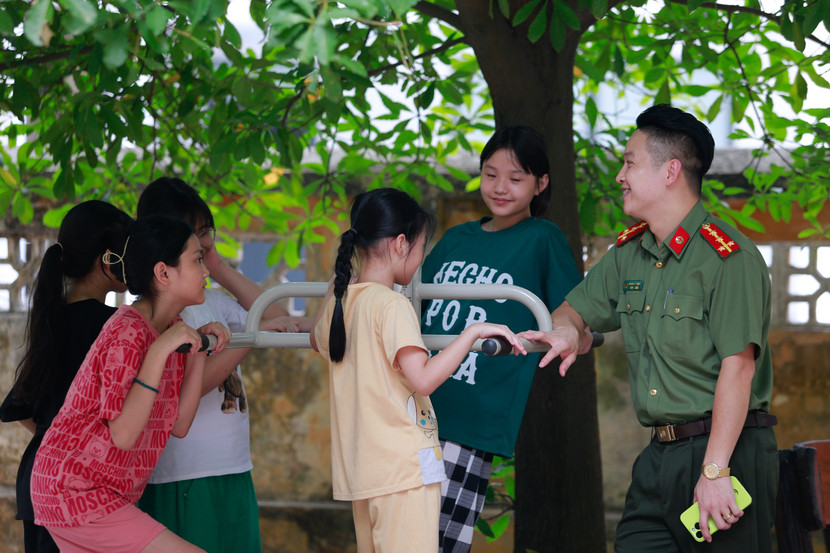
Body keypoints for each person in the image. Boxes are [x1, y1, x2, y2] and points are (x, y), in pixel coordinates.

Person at [521, 104, 778, 553]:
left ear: (670, 171)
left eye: (630, 162)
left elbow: (738, 369)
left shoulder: (728, 257)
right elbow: (573, 310)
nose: (620, 175)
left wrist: (715, 472)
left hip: (724, 451)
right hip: (659, 456)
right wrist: (564, 330)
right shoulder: (630, 253)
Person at [310, 187, 526, 553]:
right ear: (399, 244)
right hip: (404, 471)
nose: (421, 258)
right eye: (421, 247)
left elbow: (318, 340)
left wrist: (339, 285)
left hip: (365, 471)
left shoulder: (344, 302)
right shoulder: (391, 305)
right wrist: (471, 333)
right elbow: (423, 377)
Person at [418, 126, 582, 553]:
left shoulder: (542, 239)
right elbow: (408, 304)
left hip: (474, 415)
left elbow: (574, 310)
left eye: (516, 178)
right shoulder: (456, 238)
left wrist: (569, 331)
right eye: (490, 174)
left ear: (540, 183)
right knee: (400, 535)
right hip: (418, 405)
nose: (500, 187)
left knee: (439, 543)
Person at [29, 215, 232, 553]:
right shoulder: (126, 331)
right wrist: (161, 349)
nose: (206, 271)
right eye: (197, 260)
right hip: (74, 488)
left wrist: (197, 351)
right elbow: (122, 435)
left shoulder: (174, 327)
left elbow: (179, 424)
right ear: (163, 273)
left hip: (102, 490)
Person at [135, 176, 308, 553]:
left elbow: (276, 317)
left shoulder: (207, 298)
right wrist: (250, 336)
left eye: (206, 230)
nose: (205, 240)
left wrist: (216, 264)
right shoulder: (164, 314)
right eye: (194, 233)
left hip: (230, 465)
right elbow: (191, 388)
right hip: (183, 473)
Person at [0, 201, 132, 553]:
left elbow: (21, 408)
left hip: (38, 479)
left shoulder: (53, 318)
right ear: (108, 259)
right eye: (128, 252)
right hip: (74, 490)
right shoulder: (113, 326)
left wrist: (58, 440)